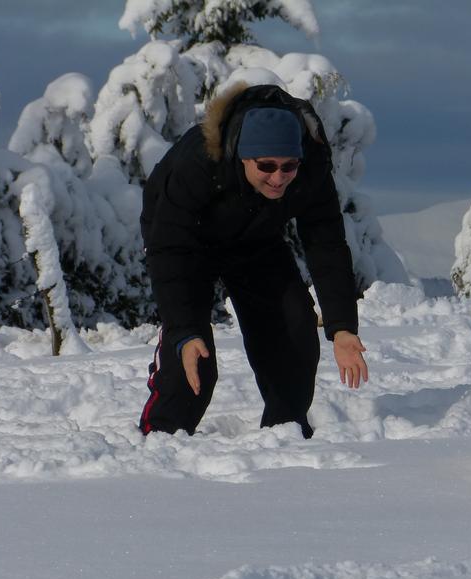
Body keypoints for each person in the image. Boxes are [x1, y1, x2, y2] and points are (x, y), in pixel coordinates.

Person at [138, 82, 368, 439]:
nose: (278, 178)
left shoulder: (311, 170)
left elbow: (327, 245)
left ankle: (284, 434)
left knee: (295, 331)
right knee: (194, 360)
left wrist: (342, 328)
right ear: (243, 157)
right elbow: (170, 249)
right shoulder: (197, 163)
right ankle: (160, 437)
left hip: (253, 238)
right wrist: (183, 331)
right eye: (266, 166)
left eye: (288, 166)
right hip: (187, 242)